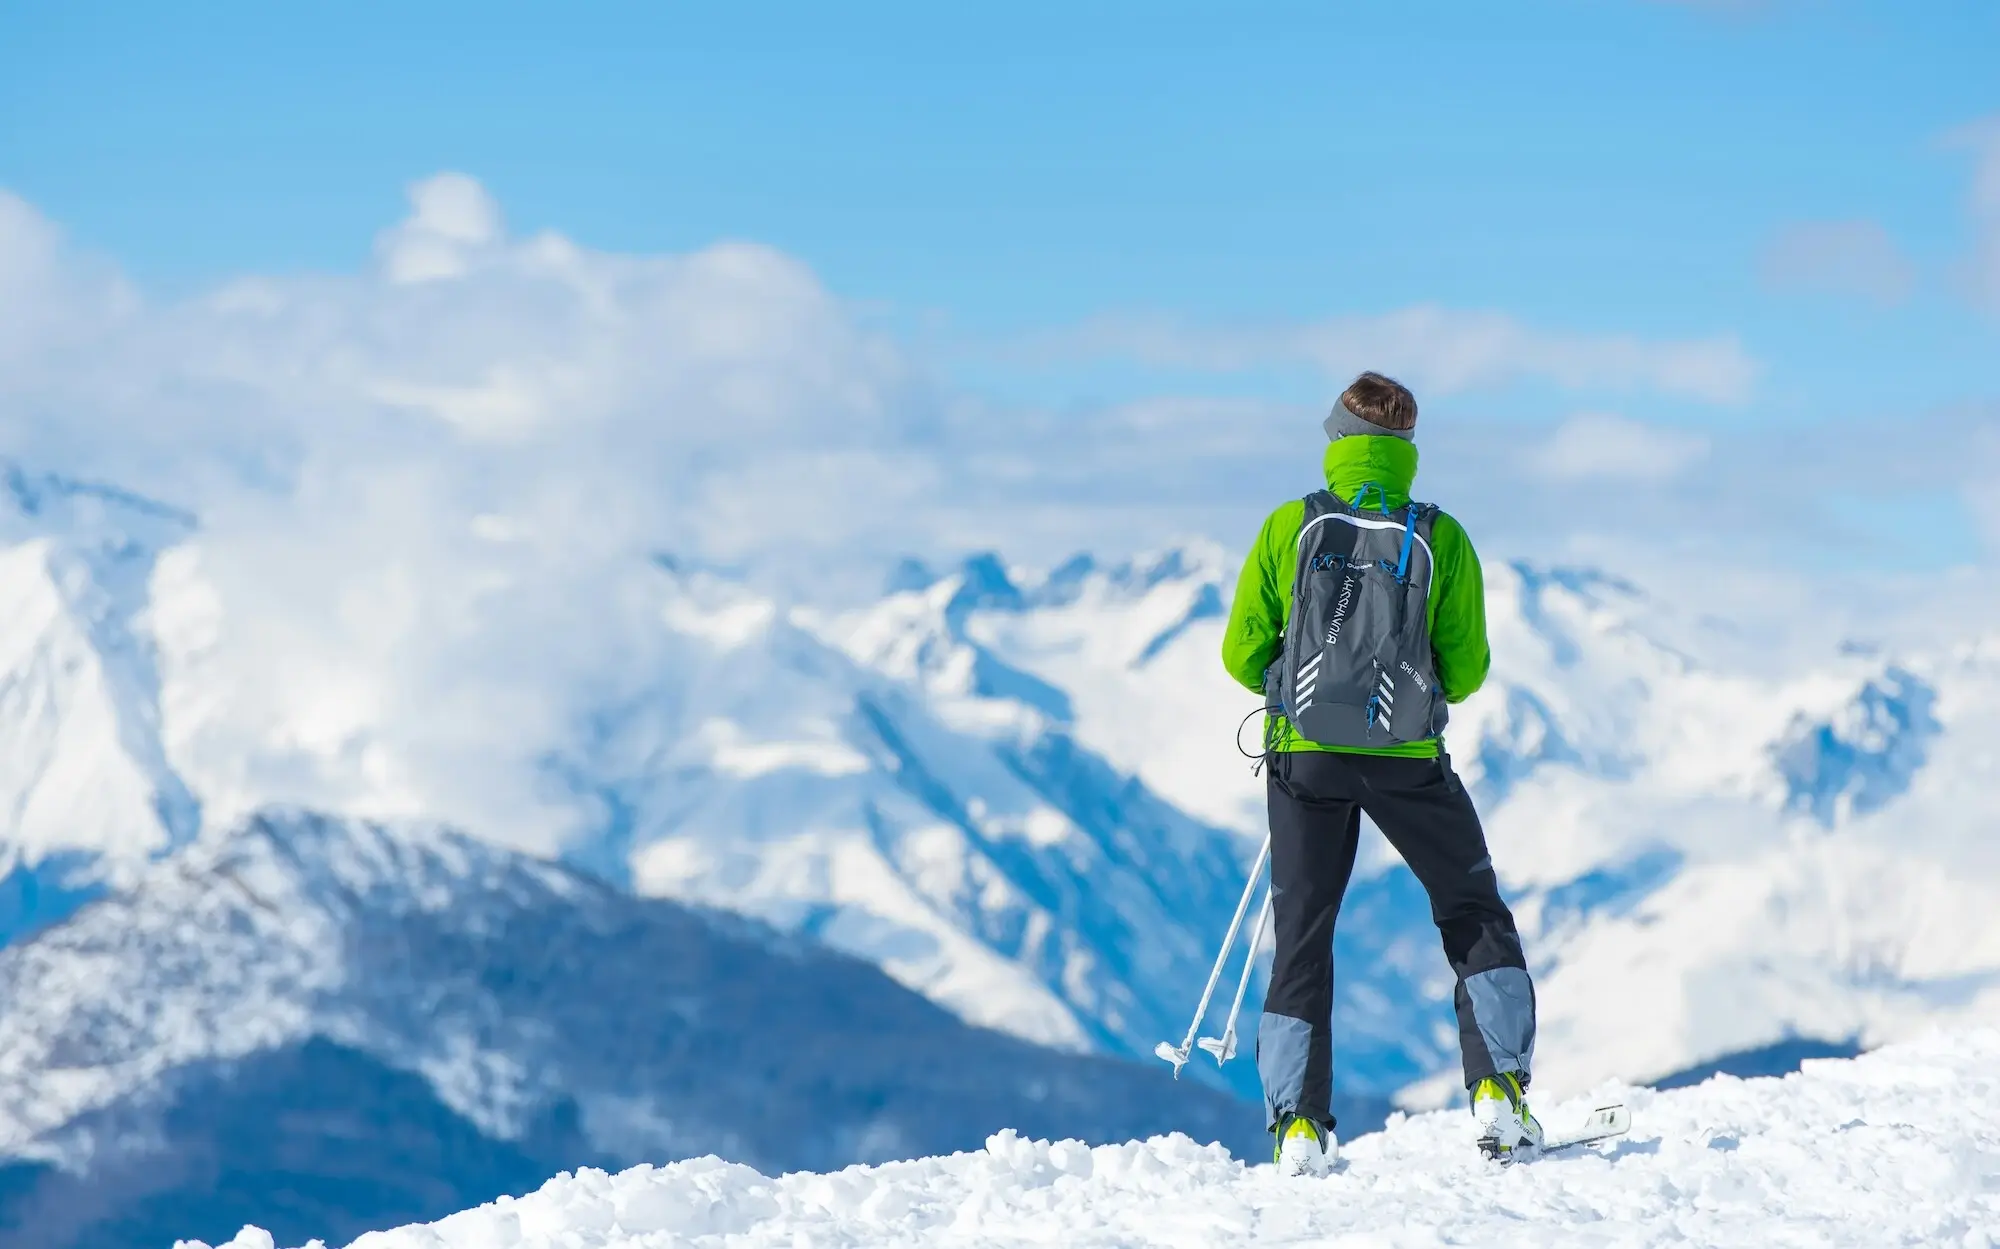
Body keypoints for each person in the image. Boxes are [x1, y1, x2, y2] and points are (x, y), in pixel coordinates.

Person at [1220, 371, 1539, 1177]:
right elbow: (1465, 671)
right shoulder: (1441, 535)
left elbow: (1239, 653)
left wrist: (1296, 687)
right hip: (1407, 760)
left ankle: (1298, 1126)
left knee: (1304, 931)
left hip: (1305, 755)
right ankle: (1498, 1088)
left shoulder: (1291, 527)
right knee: (1470, 908)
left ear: (1336, 440)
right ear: (1408, 448)